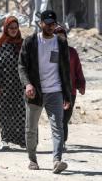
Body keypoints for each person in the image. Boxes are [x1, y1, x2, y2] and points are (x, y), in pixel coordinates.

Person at [18, 10, 72, 174]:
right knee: (31, 128)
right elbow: (21, 66)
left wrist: (67, 94)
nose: (50, 26)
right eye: (47, 23)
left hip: (55, 91)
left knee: (58, 127)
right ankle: (32, 159)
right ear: (40, 23)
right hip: (35, 92)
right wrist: (27, 84)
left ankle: (57, 160)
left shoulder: (61, 43)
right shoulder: (31, 41)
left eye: (53, 24)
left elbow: (65, 69)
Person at [0, 16, 26, 150]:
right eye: (11, 28)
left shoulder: (23, 45)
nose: (13, 30)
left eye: (15, 28)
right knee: (5, 113)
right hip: (4, 86)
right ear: (6, 29)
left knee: (21, 112)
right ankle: (5, 139)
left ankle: (22, 140)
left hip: (20, 85)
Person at [54, 26, 86, 148]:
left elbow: (78, 70)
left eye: (62, 35)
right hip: (56, 90)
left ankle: (62, 140)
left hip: (70, 90)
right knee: (59, 118)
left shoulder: (72, 52)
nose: (60, 38)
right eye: (57, 36)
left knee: (66, 117)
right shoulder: (53, 52)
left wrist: (81, 84)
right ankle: (60, 142)